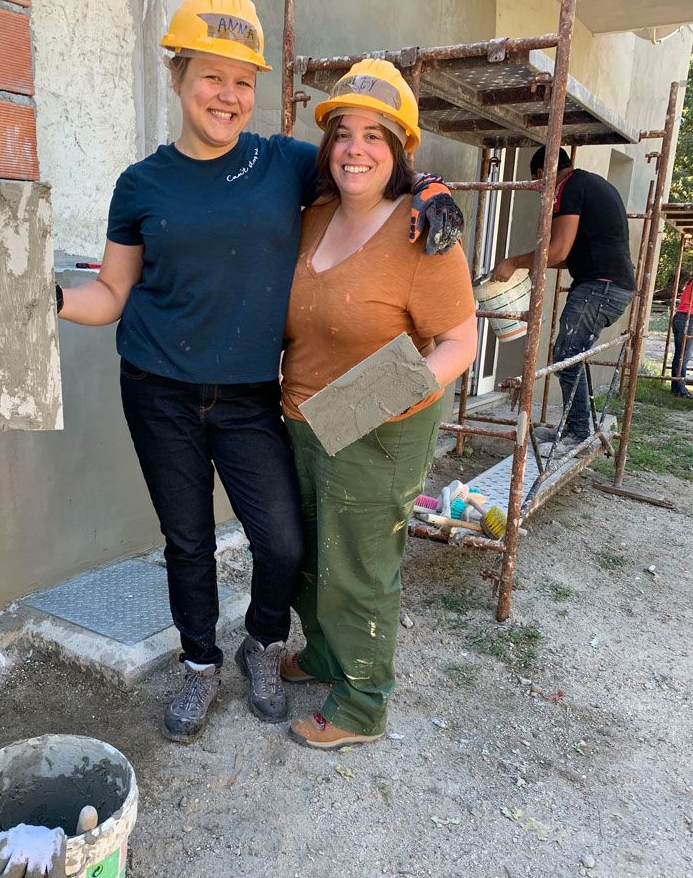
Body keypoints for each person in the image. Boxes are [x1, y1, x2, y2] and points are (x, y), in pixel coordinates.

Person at [55, 0, 464, 743]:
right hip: (157, 389)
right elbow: (112, 291)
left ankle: (264, 644)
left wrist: (433, 185)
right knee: (188, 542)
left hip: (249, 397)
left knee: (281, 539)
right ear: (178, 77)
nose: (229, 95)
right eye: (212, 76)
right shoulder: (139, 185)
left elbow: (368, 164)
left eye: (243, 81)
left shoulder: (283, 164)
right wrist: (49, 300)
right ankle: (201, 664)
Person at [279, 59, 478, 749]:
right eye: (343, 133)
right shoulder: (315, 216)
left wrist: (376, 402)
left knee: (360, 564)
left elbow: (459, 340)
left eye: (375, 135)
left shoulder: (424, 232)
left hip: (378, 421)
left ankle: (363, 702)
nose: (355, 148)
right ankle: (329, 655)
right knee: (308, 552)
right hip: (302, 414)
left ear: (398, 150)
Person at [493, 147, 635, 452]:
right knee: (572, 354)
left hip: (601, 287)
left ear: (543, 174)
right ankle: (574, 427)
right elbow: (565, 257)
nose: (543, 193)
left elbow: (556, 251)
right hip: (609, 286)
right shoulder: (589, 183)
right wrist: (528, 264)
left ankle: (577, 432)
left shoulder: (567, 187)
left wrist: (513, 261)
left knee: (566, 356)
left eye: (538, 185)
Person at [670, 274, 692, 398]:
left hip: (680, 317)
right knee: (684, 356)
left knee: (680, 354)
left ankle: (676, 387)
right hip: (688, 319)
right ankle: (680, 388)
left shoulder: (690, 282)